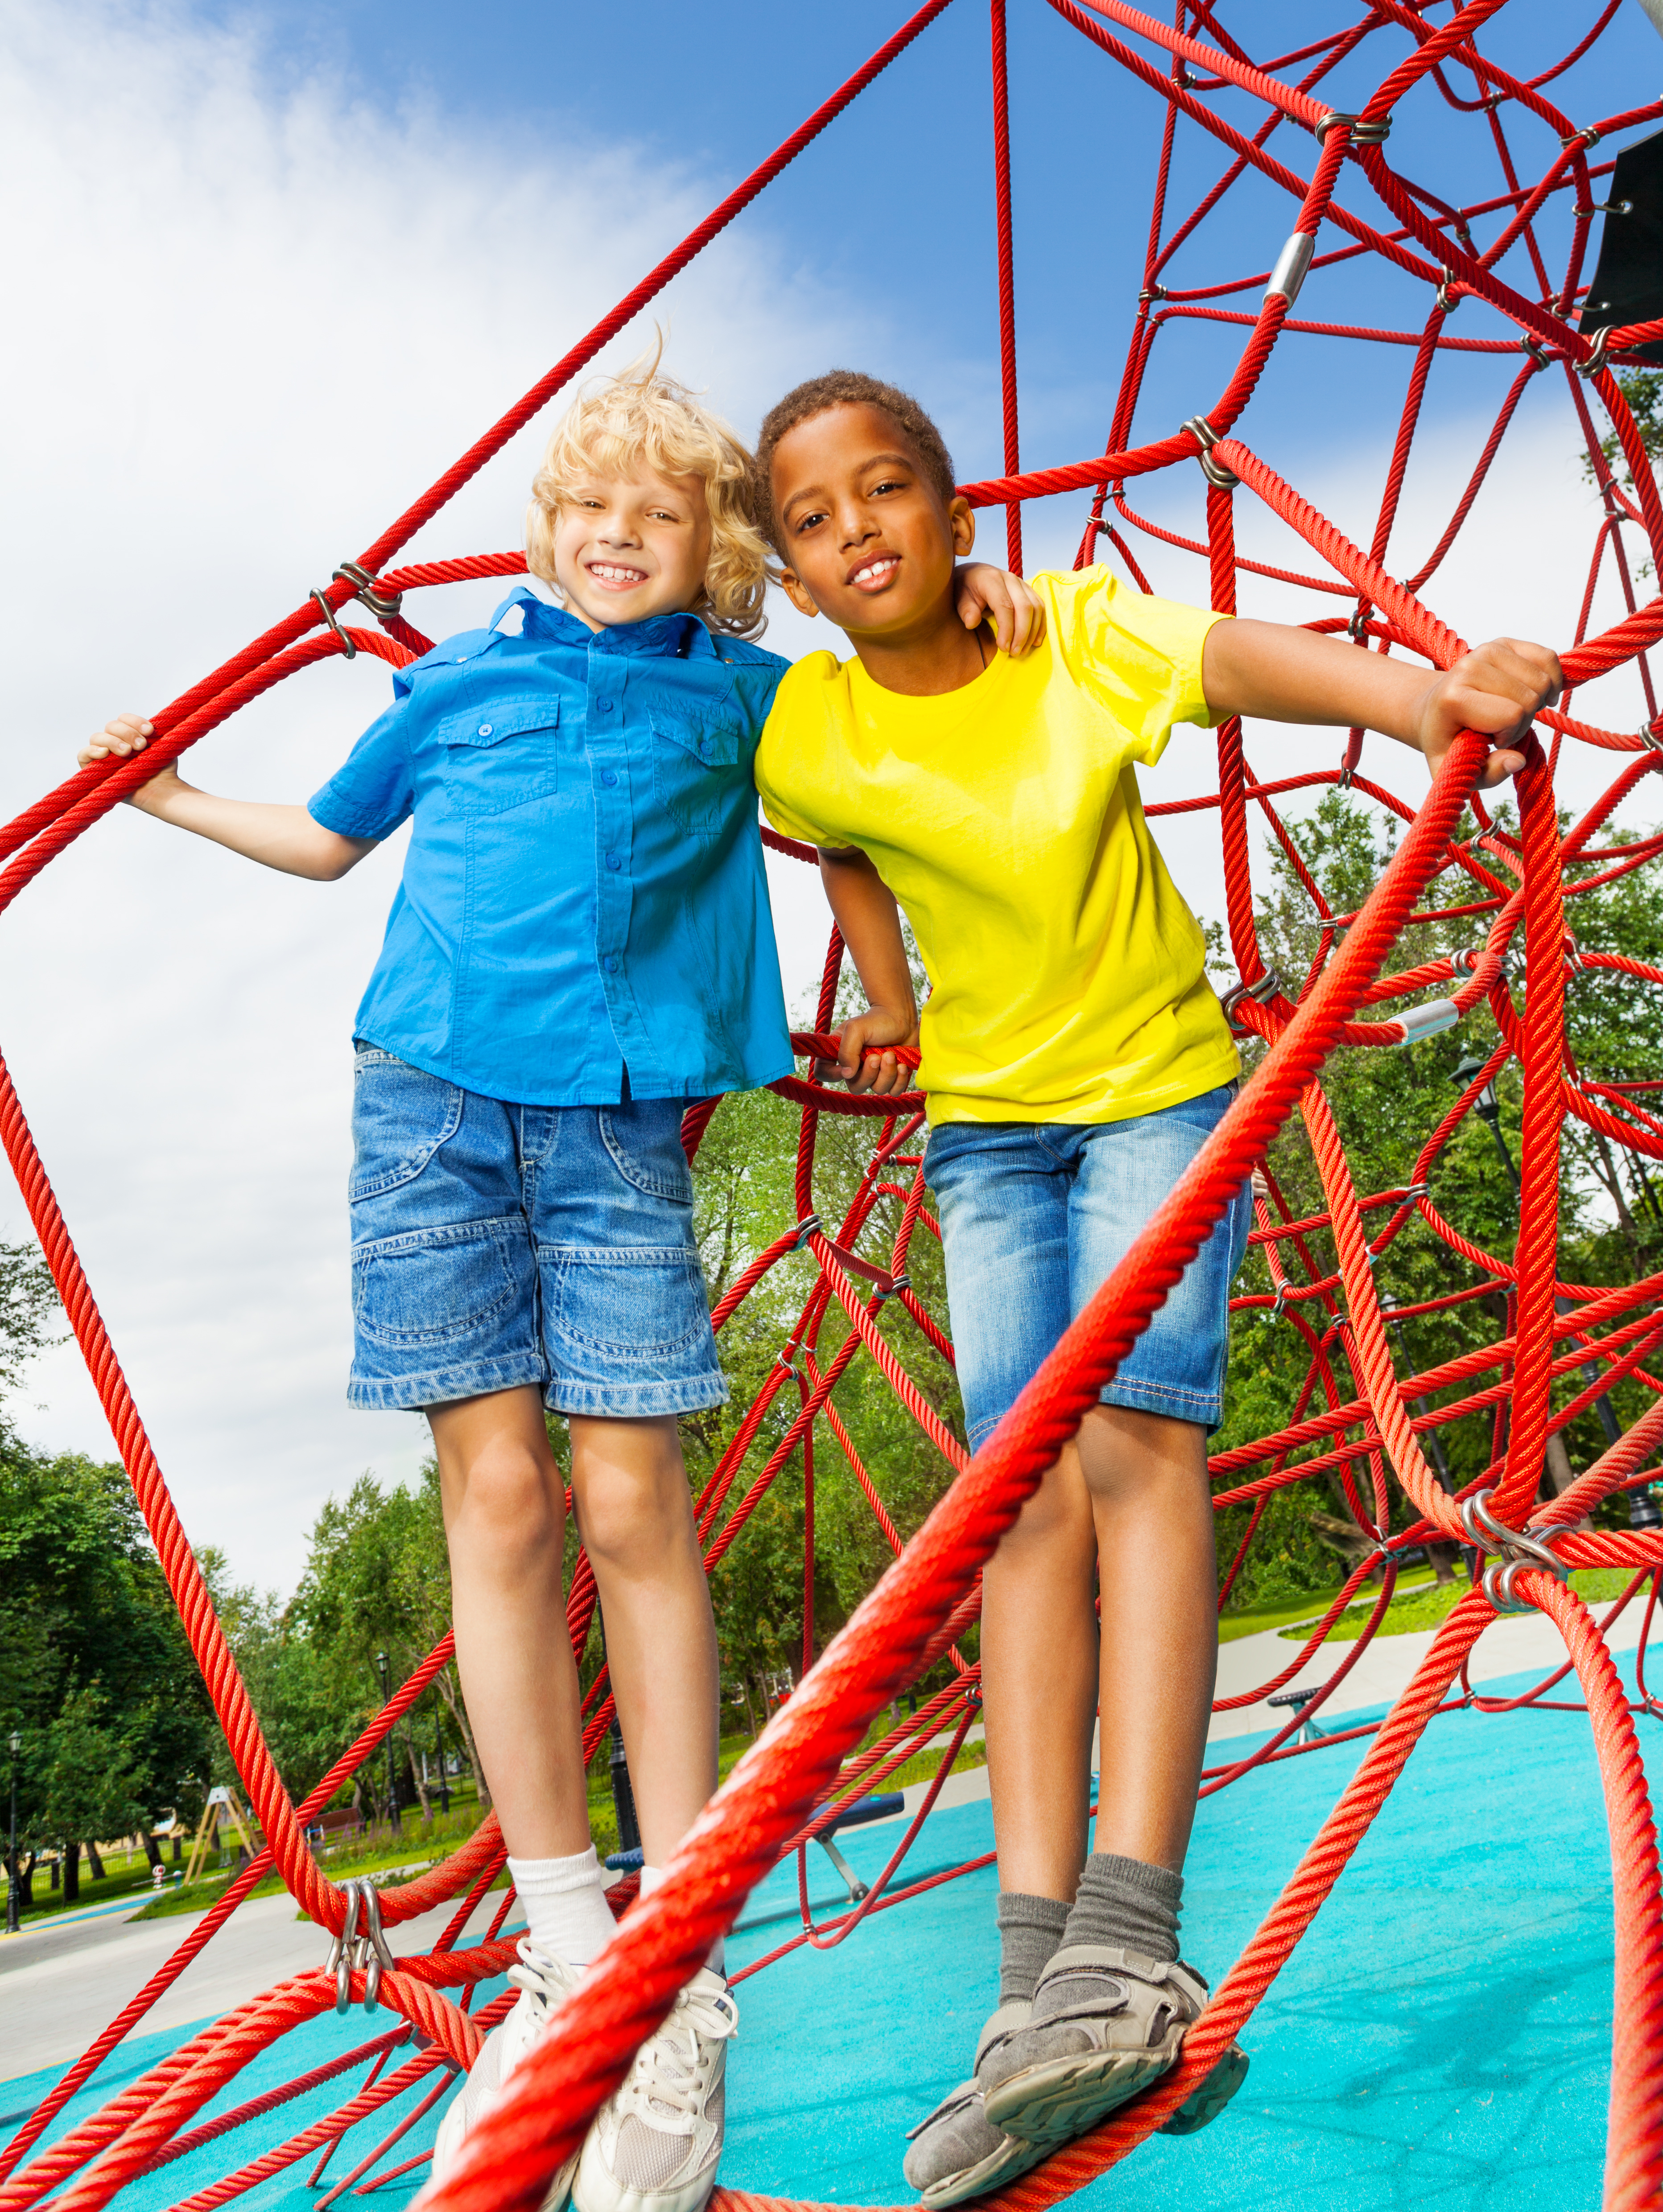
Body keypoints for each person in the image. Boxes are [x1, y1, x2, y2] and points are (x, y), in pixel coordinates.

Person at [78, 359, 1039, 2212]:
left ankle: (674, 1964)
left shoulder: (753, 700)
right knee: (497, 1499)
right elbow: (328, 841)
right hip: (424, 1102)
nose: (618, 536)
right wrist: (175, 793)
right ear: (543, 530)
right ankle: (559, 1942)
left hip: (611, 1136)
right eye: (590, 508)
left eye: (661, 518)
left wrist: (986, 632)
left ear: (712, 561)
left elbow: (868, 789)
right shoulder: (451, 684)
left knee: (628, 1497)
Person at [749, 369, 1561, 2208]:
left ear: (958, 519)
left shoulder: (1074, 638)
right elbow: (810, 813)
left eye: (891, 490)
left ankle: (1134, 1934)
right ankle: (1036, 1996)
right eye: (815, 518)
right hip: (989, 1132)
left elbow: (1241, 661)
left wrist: (1426, 694)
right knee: (1009, 1511)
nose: (858, 528)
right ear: (791, 573)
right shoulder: (801, 723)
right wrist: (876, 976)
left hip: (1156, 1097)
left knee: (1134, 1446)